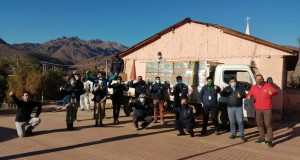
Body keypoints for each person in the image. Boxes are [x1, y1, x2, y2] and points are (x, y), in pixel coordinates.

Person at [247, 74, 278, 148]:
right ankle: (262, 139)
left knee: (268, 124)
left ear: (263, 79)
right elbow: (249, 94)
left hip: (267, 108)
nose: (259, 80)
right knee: (259, 125)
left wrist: (272, 93)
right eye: (257, 79)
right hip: (258, 109)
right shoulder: (253, 87)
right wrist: (248, 96)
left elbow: (276, 92)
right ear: (256, 80)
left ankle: (270, 141)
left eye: (260, 79)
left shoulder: (268, 86)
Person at [221, 77, 247, 142]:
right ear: (229, 83)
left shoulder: (240, 87)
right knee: (232, 121)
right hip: (230, 107)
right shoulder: (227, 88)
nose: (233, 83)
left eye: (234, 81)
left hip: (238, 106)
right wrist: (222, 91)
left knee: (240, 121)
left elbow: (244, 94)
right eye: (232, 82)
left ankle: (242, 135)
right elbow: (223, 95)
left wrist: (241, 95)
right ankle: (233, 133)